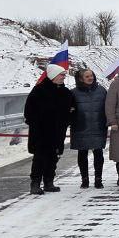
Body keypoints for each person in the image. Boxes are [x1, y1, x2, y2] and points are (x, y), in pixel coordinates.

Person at [24, 64, 75, 195]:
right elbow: (29, 111)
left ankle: (48, 181)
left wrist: (67, 119)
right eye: (61, 75)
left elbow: (73, 109)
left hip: (58, 131)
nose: (64, 77)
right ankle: (35, 183)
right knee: (40, 157)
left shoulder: (66, 93)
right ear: (53, 76)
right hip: (41, 132)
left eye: (64, 75)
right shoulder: (39, 91)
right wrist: (36, 123)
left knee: (53, 157)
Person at [70, 68, 108, 189]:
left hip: (98, 125)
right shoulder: (73, 93)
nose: (90, 78)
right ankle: (84, 179)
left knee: (98, 153)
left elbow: (108, 107)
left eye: (91, 75)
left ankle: (98, 179)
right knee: (82, 153)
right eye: (87, 76)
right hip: (81, 126)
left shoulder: (102, 91)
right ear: (81, 79)